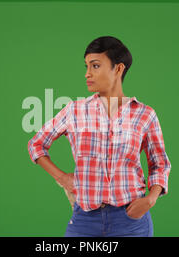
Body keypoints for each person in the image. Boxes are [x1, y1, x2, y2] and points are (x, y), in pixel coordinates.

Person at [27, 36, 171, 237]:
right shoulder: (75, 111)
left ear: (118, 69)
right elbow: (37, 144)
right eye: (86, 66)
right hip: (84, 220)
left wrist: (150, 199)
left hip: (132, 220)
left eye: (95, 66)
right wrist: (62, 178)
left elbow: (159, 164)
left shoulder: (145, 114)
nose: (87, 74)